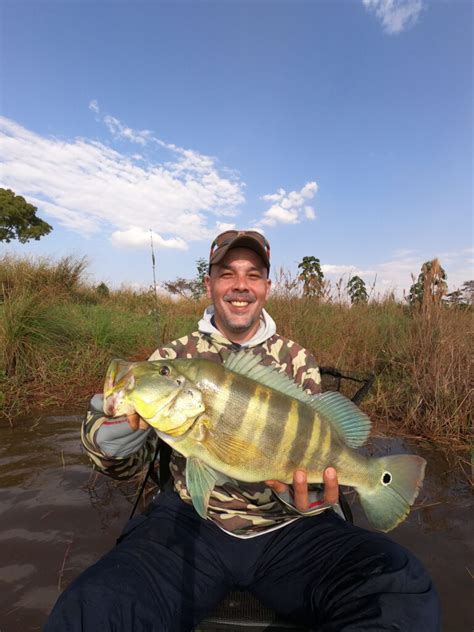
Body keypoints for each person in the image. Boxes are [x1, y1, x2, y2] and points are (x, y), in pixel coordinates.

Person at [46, 230, 440, 631]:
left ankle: (374, 483)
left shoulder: (297, 358)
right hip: (189, 523)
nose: (240, 285)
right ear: (210, 284)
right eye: (227, 273)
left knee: (399, 585)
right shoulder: (172, 356)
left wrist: (314, 498)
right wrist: (110, 445)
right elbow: (127, 465)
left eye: (253, 275)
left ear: (266, 287)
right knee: (94, 606)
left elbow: (313, 446)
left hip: (287, 528)